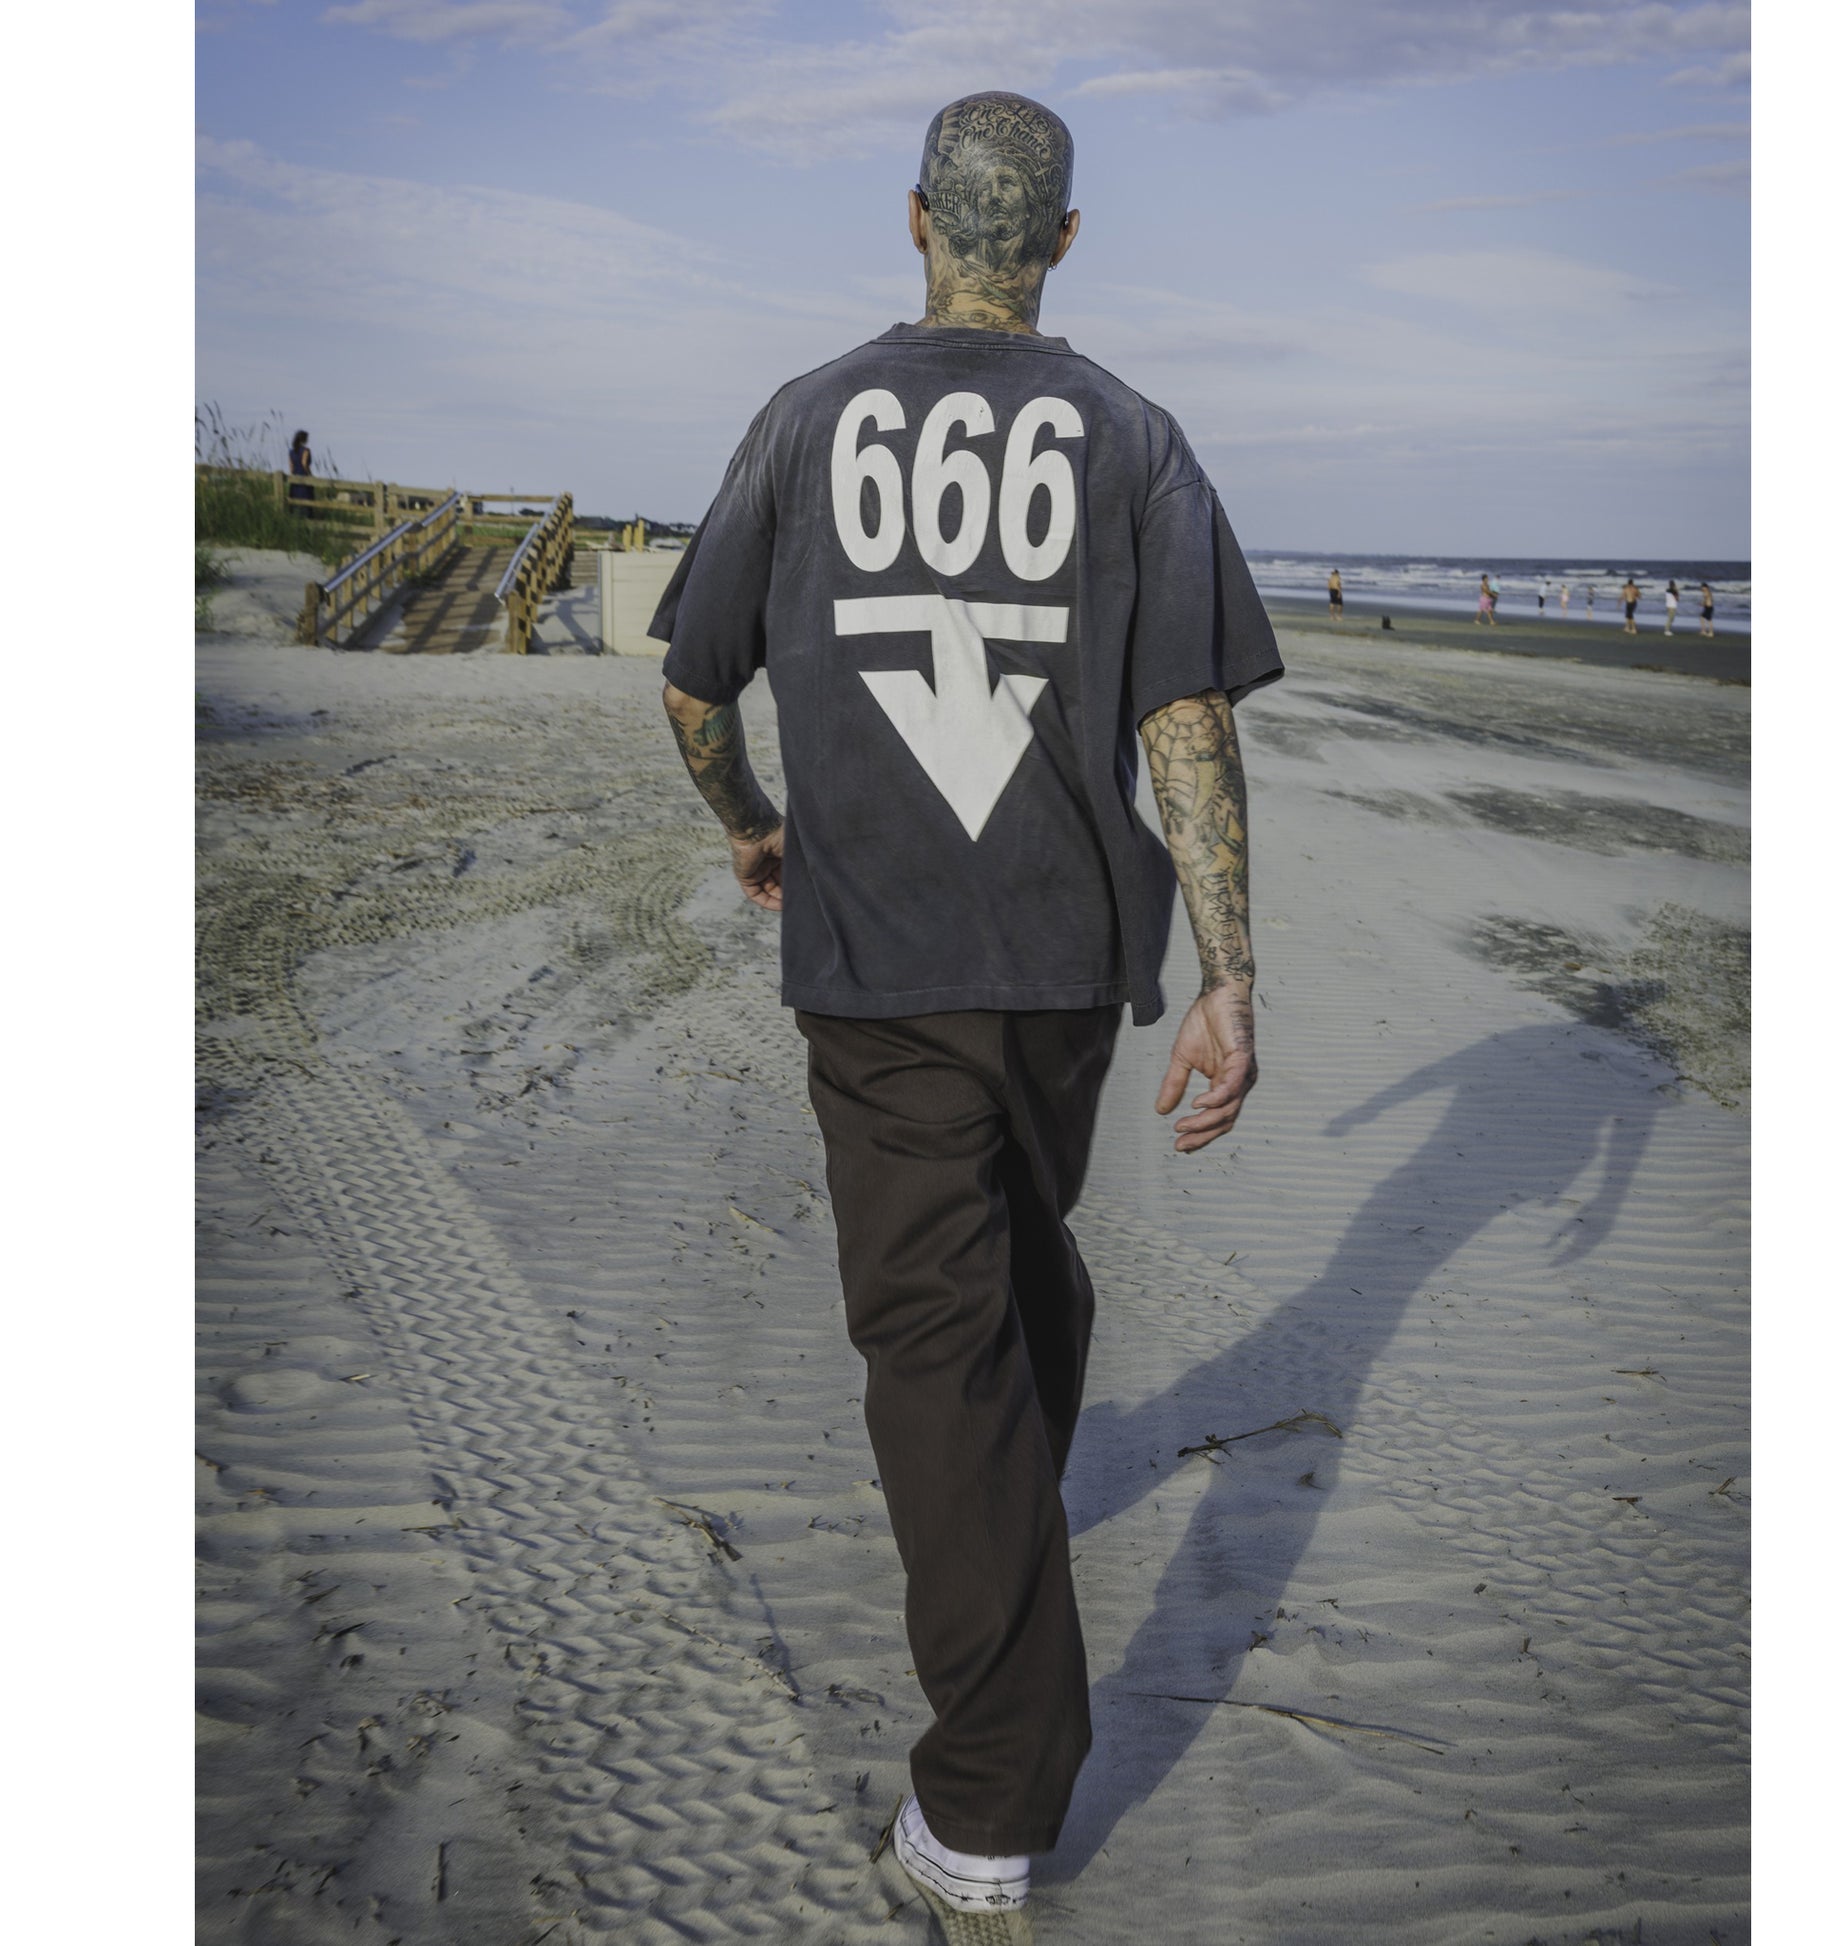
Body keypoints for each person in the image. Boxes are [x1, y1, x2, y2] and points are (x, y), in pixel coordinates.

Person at [650, 91, 1281, 1944]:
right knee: (1012, 1252)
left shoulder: (802, 416)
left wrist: (749, 820)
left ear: (914, 218)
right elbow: (1186, 720)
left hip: (881, 961)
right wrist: (1230, 973)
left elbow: (692, 688)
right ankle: (1006, 1499)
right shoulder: (1135, 437)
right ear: (1064, 241)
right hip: (1066, 966)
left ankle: (988, 1801)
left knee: (934, 1334)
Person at [288, 429, 315, 509]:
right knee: (306, 498)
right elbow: (304, 463)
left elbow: (291, 466)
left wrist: (292, 476)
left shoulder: (291, 451)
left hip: (295, 476)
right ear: (304, 439)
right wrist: (310, 474)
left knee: (295, 498)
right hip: (303, 475)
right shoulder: (306, 450)